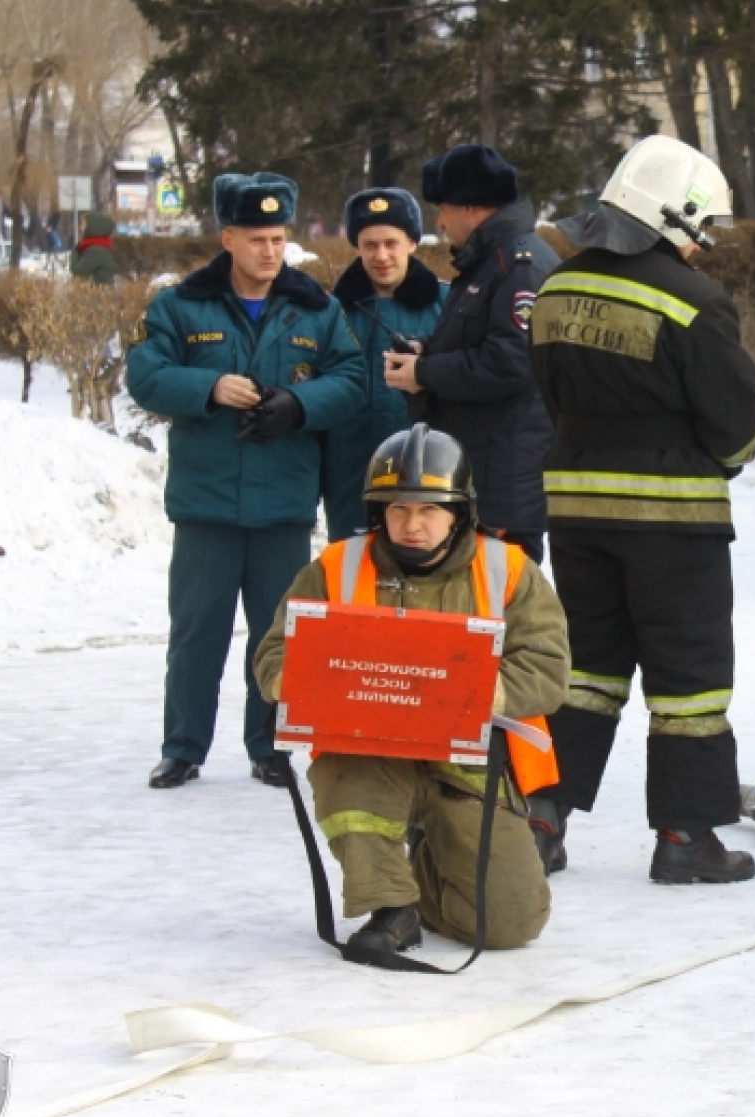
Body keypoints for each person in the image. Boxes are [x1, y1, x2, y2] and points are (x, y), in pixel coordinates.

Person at [529, 134, 755, 884]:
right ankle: (686, 838)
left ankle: (541, 820)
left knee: (584, 669)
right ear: (680, 219)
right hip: (674, 522)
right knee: (688, 677)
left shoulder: (558, 286)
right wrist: (715, 459)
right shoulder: (693, 300)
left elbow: (550, 394)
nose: (704, 247)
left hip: (575, 512)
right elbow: (736, 424)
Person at [253, 425, 568, 959]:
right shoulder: (335, 566)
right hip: (367, 752)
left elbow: (548, 666)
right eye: (397, 509)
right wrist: (296, 686)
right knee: (350, 782)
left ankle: (425, 864)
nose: (412, 525)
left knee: (511, 924)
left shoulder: (508, 569)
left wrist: (484, 694)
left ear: (459, 511)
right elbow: (274, 652)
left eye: (429, 510)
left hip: (467, 761)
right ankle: (391, 909)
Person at [127, 172, 366, 790]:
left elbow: (351, 378)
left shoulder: (317, 308)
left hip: (283, 502)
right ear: (228, 237)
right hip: (207, 504)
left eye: (278, 238)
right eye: (257, 238)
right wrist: (206, 387)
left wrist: (298, 403)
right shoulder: (182, 306)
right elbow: (146, 375)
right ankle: (183, 748)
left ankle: (272, 747)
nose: (270, 250)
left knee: (280, 636)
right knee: (196, 634)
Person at [383, 144, 558, 562]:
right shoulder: (487, 261)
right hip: (482, 472)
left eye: (444, 208)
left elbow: (511, 362)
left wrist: (424, 373)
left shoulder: (519, 266)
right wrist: (428, 349)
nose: (440, 223)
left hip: (505, 483)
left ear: (473, 209)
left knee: (502, 608)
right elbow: (482, 340)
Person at [322, 187, 447, 541]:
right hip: (351, 474)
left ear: (412, 243)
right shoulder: (331, 312)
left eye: (391, 243)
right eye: (370, 245)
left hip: (429, 475)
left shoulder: (449, 304)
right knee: (354, 580)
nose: (382, 255)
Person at [70, 212, 117, 285]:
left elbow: (77, 271)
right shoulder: (100, 245)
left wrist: (75, 251)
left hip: (97, 294)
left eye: (83, 224)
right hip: (98, 293)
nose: (81, 228)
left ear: (93, 227)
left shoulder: (96, 250)